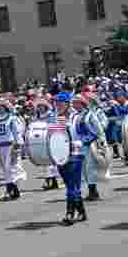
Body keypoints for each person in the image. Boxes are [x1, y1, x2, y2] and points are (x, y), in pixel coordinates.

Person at [56, 92, 94, 225]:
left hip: (75, 155)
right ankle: (82, 212)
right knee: (70, 185)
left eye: (61, 103)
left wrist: (81, 142)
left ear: (67, 104)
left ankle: (69, 213)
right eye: (56, 103)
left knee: (71, 186)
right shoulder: (55, 119)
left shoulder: (77, 118)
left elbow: (91, 134)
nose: (58, 106)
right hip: (60, 157)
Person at [0, 99, 23, 200]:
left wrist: (17, 145)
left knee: (11, 168)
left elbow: (16, 132)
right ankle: (15, 190)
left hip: (10, 146)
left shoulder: (12, 119)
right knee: (5, 169)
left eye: (0, 106)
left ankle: (9, 190)